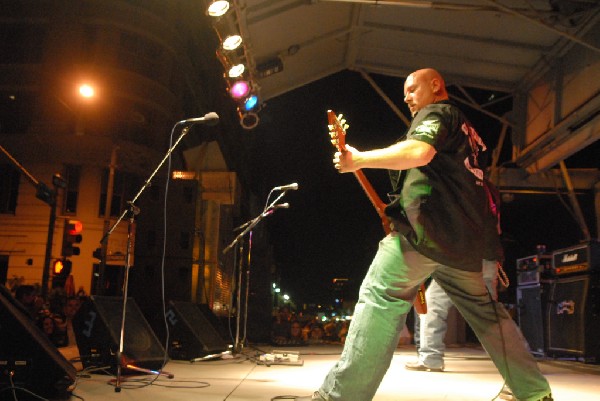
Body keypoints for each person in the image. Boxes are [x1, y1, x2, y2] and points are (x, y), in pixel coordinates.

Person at [298, 68, 552, 401]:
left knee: (381, 298)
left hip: (426, 233)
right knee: (488, 316)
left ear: (436, 85)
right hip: (465, 244)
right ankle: (533, 393)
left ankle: (340, 397)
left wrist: (359, 158)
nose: (406, 96)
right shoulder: (468, 132)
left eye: (412, 88)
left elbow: (419, 153)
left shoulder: (438, 112)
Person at [406, 180, 506, 372]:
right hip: (487, 256)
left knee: (432, 304)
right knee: (490, 314)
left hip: (461, 259)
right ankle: (517, 364)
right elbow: (496, 227)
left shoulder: (454, 184)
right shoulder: (489, 188)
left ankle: (431, 358)